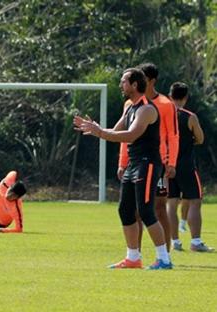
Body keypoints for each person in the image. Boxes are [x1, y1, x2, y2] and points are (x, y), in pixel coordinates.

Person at [74, 68, 172, 269]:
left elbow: (130, 135)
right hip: (134, 164)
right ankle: (133, 258)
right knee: (125, 210)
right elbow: (115, 130)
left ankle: (164, 259)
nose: (121, 85)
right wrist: (95, 129)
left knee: (146, 211)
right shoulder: (130, 108)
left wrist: (100, 132)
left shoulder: (146, 109)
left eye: (123, 81)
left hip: (148, 163)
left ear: (135, 85)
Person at [118, 63, 178, 252]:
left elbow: (172, 135)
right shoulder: (129, 105)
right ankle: (136, 253)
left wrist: (171, 162)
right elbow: (125, 135)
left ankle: (164, 254)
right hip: (134, 162)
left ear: (150, 81)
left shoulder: (164, 104)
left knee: (158, 208)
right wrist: (122, 162)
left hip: (156, 161)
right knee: (132, 211)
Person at [166, 82, 213, 252]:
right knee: (195, 201)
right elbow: (200, 139)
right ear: (185, 97)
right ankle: (196, 241)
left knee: (171, 203)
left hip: (167, 165)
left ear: (170, 96)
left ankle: (175, 242)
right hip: (186, 165)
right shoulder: (190, 116)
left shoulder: (163, 115)